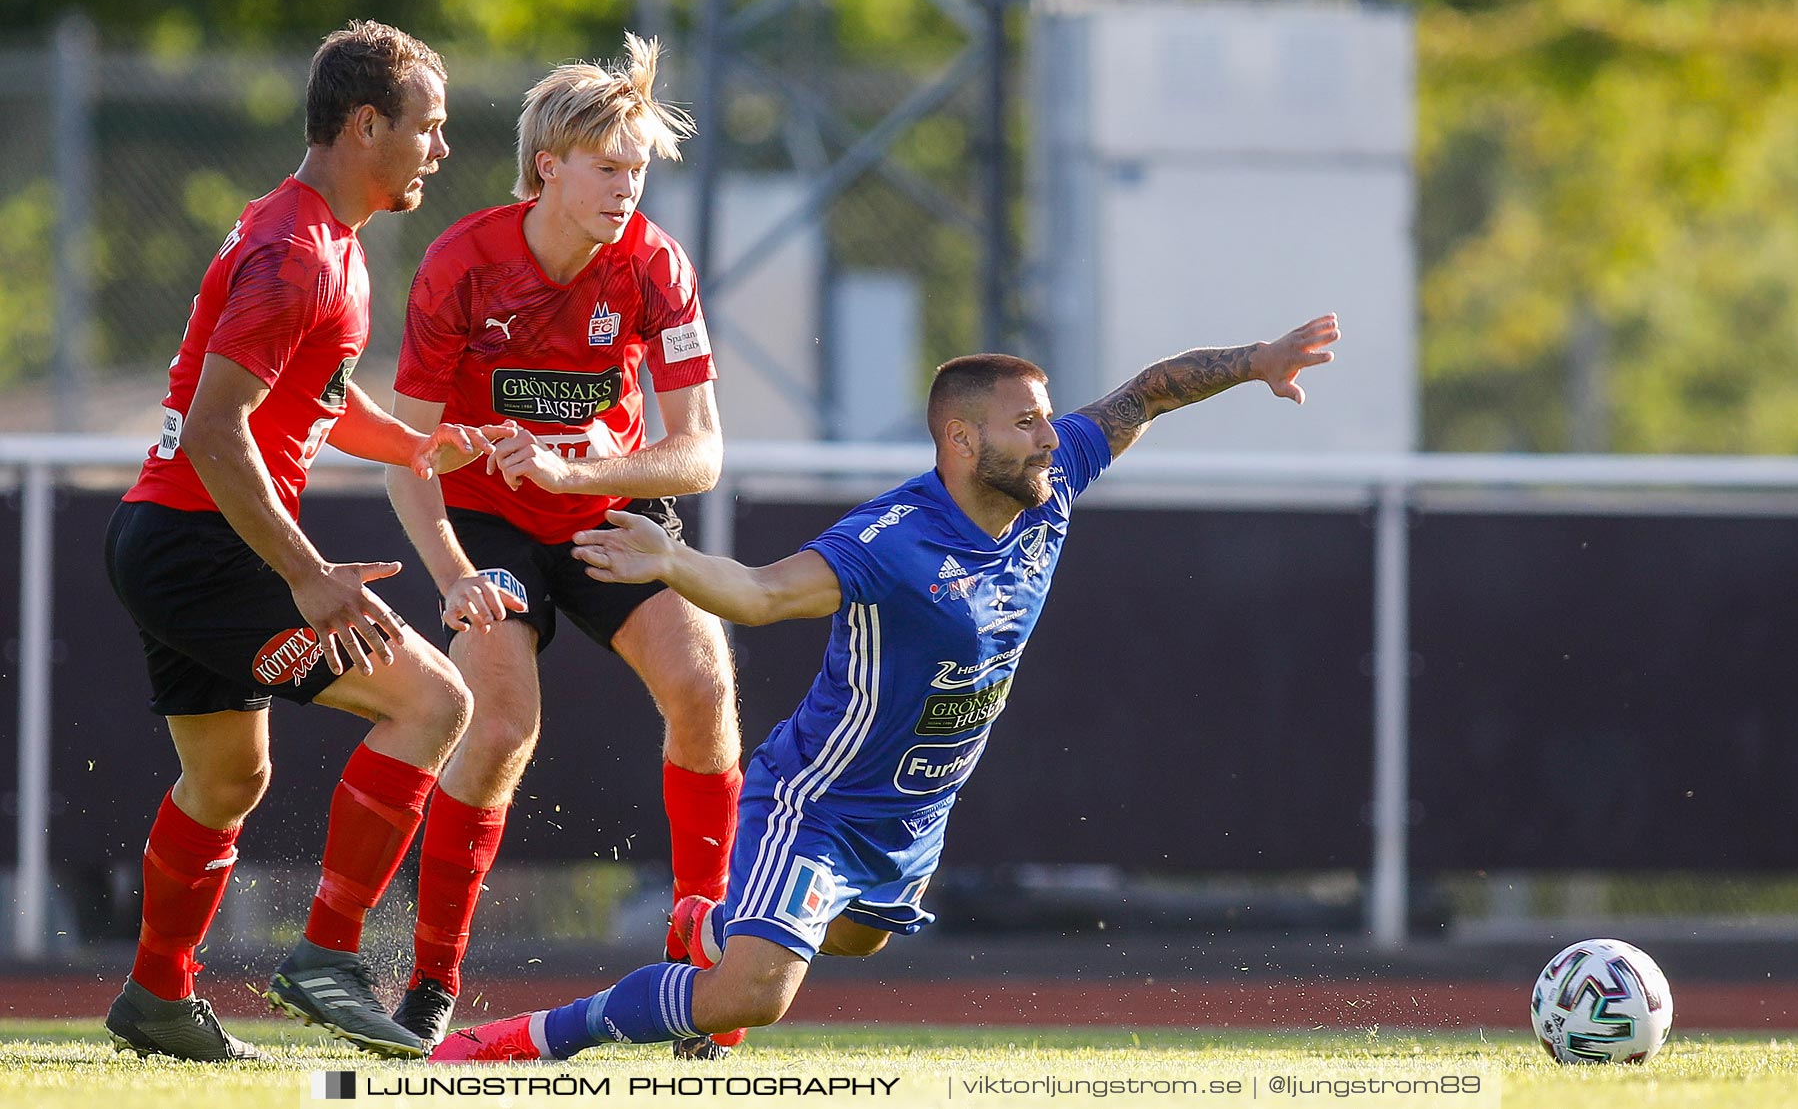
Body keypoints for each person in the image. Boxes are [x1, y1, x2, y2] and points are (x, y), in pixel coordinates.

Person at [429, 314, 1342, 1063]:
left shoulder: (1051, 479)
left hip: (915, 813)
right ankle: (512, 1044)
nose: (1048, 437)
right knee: (753, 996)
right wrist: (671, 560)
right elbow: (762, 592)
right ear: (960, 438)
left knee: (858, 937)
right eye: (1026, 422)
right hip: (819, 801)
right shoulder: (893, 540)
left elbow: (1146, 393)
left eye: (1047, 419)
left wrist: (1255, 363)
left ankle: (713, 922)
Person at [102, 20, 509, 1063]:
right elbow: (215, 428)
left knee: (228, 778)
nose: (441, 148)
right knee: (436, 700)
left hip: (170, 536)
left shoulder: (321, 239)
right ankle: (328, 957)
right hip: (205, 542)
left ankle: (157, 995)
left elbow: (314, 405)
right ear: (367, 123)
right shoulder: (295, 254)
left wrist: (431, 442)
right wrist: (308, 573)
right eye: (431, 126)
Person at [383, 33, 742, 1055]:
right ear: (551, 165)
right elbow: (406, 451)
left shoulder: (654, 264)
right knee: (500, 724)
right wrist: (453, 569)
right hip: (488, 519)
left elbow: (700, 453)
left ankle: (698, 956)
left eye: (639, 170)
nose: (629, 189)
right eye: (611, 168)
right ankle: (432, 981)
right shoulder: (462, 262)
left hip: (598, 506)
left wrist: (582, 472)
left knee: (703, 682)